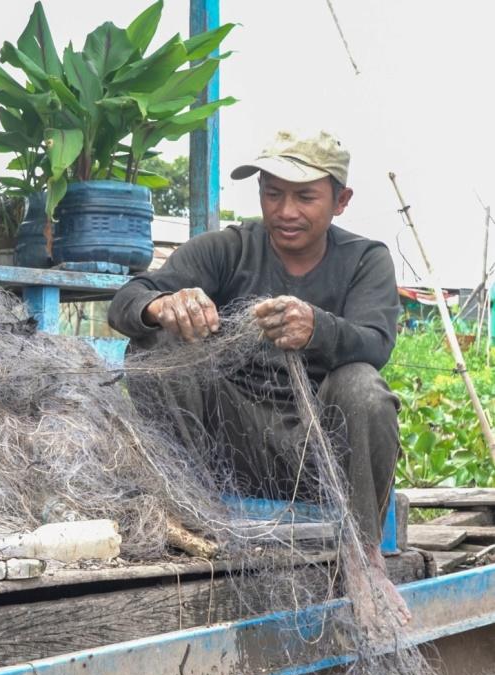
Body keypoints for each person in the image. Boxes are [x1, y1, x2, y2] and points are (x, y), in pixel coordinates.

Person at [107, 130, 410, 629]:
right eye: (273, 193)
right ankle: (194, 514)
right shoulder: (228, 249)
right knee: (155, 346)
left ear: (340, 201)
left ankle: (364, 559)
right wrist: (162, 305)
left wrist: (318, 327)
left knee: (361, 384)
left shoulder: (364, 259)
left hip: (320, 457)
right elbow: (128, 300)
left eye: (304, 196)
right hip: (233, 447)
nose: (286, 210)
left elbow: (375, 342)